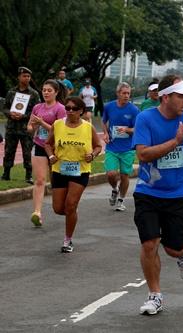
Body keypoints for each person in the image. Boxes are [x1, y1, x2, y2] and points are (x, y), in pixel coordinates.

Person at [132, 75, 183, 315]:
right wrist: (175, 141)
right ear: (166, 97)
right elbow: (143, 155)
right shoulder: (145, 118)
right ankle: (155, 295)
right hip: (148, 191)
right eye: (181, 96)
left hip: (178, 193)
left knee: (172, 248)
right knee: (149, 243)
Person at [44, 96, 102, 252]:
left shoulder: (88, 127)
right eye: (67, 108)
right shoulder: (57, 125)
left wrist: (93, 155)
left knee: (70, 205)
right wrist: (51, 156)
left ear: (81, 111)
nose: (69, 111)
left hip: (80, 171)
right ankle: (72, 214)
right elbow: (47, 144)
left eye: (74, 109)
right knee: (58, 208)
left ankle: (67, 240)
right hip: (59, 170)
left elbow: (98, 146)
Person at [27, 79, 66, 227]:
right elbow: (29, 128)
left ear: (56, 92)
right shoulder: (37, 107)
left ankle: (63, 205)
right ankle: (37, 213)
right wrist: (33, 126)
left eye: (49, 90)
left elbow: (60, 130)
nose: (46, 93)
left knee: (57, 180)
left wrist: (42, 123)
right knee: (39, 180)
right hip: (39, 145)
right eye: (44, 90)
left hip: (56, 148)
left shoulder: (60, 109)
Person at [102, 82, 139, 212]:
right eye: (124, 93)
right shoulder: (109, 107)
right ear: (118, 93)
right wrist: (106, 133)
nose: (126, 96)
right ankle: (114, 189)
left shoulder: (134, 110)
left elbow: (137, 129)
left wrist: (127, 130)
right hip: (112, 147)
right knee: (111, 174)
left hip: (127, 149)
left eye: (128, 93)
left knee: (124, 176)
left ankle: (121, 200)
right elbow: (103, 121)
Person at [1, 67, 41, 183]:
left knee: (27, 152)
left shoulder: (34, 94)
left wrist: (23, 116)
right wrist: (10, 113)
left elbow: (37, 111)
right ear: (19, 77)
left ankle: (28, 175)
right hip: (12, 127)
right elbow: (5, 107)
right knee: (8, 151)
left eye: (28, 76)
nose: (27, 78)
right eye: (24, 76)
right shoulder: (11, 92)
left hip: (26, 128)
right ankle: (6, 174)